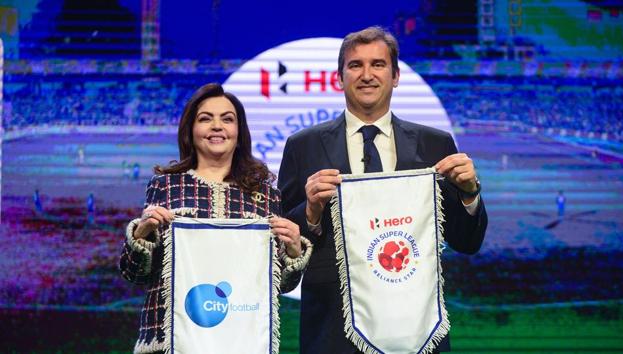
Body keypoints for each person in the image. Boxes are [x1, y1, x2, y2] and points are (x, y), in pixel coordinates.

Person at [278, 26, 488, 354]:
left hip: (417, 330)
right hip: (333, 331)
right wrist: (310, 212)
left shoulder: (436, 144)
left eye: (378, 64)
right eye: (355, 65)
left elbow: (467, 241)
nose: (367, 75)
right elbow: (286, 245)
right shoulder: (302, 146)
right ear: (339, 77)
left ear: (396, 75)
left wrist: (470, 195)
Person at [119, 83, 312, 353]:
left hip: (241, 340)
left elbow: (280, 285)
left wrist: (292, 251)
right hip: (170, 341)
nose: (217, 126)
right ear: (191, 130)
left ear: (239, 132)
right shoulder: (165, 186)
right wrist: (141, 234)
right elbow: (134, 272)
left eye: (227, 119)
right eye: (205, 118)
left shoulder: (267, 195)